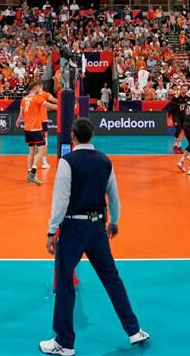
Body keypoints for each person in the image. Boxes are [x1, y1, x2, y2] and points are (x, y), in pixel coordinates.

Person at [41, 118, 149, 355]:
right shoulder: (104, 160)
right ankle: (134, 330)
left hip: (73, 229)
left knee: (65, 282)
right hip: (98, 228)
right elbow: (114, 194)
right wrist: (114, 221)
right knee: (112, 278)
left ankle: (64, 343)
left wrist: (51, 230)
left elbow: (61, 200)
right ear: (91, 135)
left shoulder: (67, 162)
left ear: (73, 136)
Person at [22, 83, 59, 184]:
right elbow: (52, 106)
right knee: (42, 151)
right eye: (39, 87)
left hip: (27, 128)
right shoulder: (37, 98)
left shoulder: (24, 99)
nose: (40, 88)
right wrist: (65, 105)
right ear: (35, 87)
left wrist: (20, 120)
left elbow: (22, 113)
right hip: (36, 128)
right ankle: (33, 173)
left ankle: (29, 172)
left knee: (31, 151)